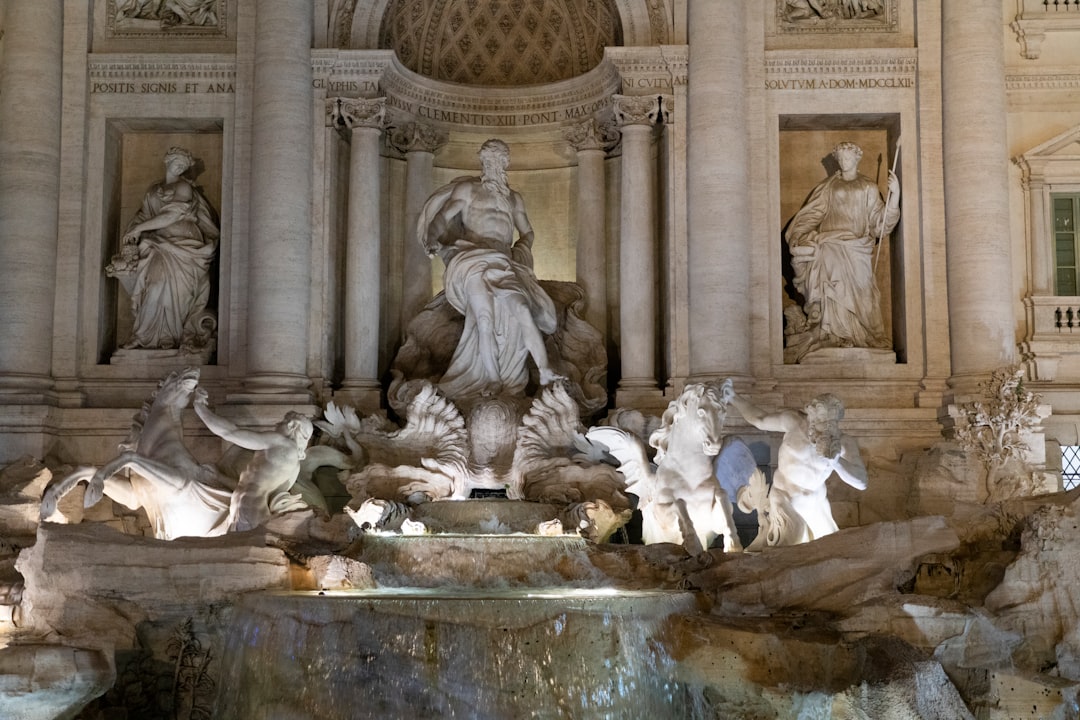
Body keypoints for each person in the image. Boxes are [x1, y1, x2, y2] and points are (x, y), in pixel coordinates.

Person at [416, 138, 564, 399]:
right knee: (483, 320)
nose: (493, 164)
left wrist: (522, 250)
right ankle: (493, 379)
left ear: (506, 163)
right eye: (488, 160)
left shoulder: (514, 199)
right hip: (472, 260)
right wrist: (432, 237)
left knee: (521, 308)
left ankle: (544, 370)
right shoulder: (467, 189)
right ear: (482, 162)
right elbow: (442, 218)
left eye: (498, 159)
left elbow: (527, 232)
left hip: (504, 262)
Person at [784, 141, 900, 360]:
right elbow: (813, 214)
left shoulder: (868, 187)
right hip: (829, 244)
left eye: (848, 158)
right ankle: (832, 334)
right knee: (831, 283)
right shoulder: (829, 186)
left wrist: (895, 197)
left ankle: (862, 336)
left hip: (858, 249)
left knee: (864, 295)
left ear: (857, 159)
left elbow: (880, 224)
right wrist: (799, 236)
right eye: (841, 159)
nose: (844, 162)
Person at [108, 146, 218, 352]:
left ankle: (171, 336)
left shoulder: (184, 187)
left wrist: (140, 228)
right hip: (158, 245)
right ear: (167, 161)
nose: (181, 166)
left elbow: (172, 215)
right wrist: (133, 232)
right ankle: (143, 336)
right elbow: (143, 216)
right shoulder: (153, 191)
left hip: (185, 246)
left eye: (184, 165)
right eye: (178, 161)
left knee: (176, 293)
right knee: (155, 286)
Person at [728, 391, 867, 546]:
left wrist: (835, 461)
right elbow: (759, 419)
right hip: (784, 497)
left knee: (832, 547)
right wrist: (733, 397)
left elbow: (862, 483)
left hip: (815, 502)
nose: (827, 426)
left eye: (832, 422)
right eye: (821, 420)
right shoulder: (793, 422)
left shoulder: (843, 442)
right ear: (811, 416)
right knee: (792, 543)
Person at [193, 388, 313, 532]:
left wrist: (200, 407)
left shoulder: (280, 442)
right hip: (247, 510)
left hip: (249, 511)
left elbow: (231, 432)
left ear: (292, 426)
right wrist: (219, 477)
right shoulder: (295, 466)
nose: (276, 425)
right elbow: (252, 487)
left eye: (282, 422)